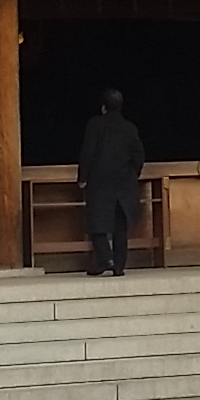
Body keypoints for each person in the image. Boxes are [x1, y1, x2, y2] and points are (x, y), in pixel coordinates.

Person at [77, 88, 144, 276]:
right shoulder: (130, 127)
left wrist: (83, 177)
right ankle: (119, 266)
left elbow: (87, 152)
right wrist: (132, 173)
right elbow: (139, 155)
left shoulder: (95, 124)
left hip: (100, 181)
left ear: (103, 107)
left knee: (96, 224)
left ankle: (106, 259)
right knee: (119, 227)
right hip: (124, 183)